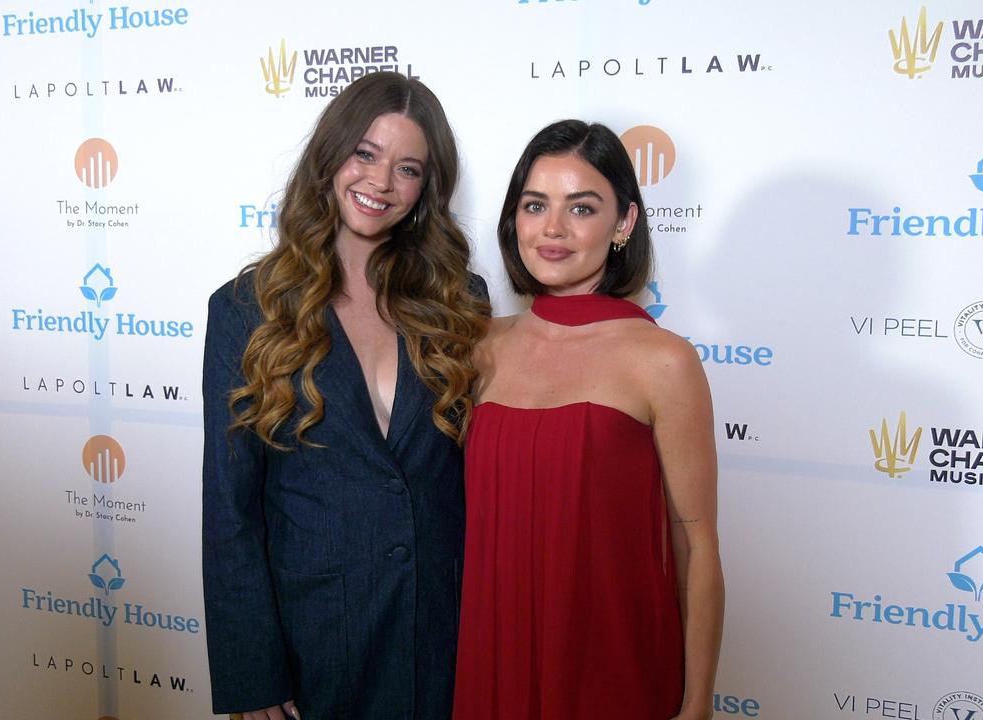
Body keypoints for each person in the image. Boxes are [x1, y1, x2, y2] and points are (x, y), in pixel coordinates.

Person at [202, 72, 489, 720]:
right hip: (315, 648)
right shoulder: (247, 310)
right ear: (330, 157)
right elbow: (231, 510)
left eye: (408, 167)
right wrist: (253, 675)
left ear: (425, 189)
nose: (382, 182)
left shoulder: (458, 301)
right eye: (366, 153)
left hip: (441, 640)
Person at [452, 120, 724, 720]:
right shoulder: (477, 346)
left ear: (623, 223)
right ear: (513, 219)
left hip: (612, 665)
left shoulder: (663, 360)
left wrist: (697, 703)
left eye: (581, 208)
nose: (552, 228)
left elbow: (696, 542)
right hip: (490, 659)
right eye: (535, 205)